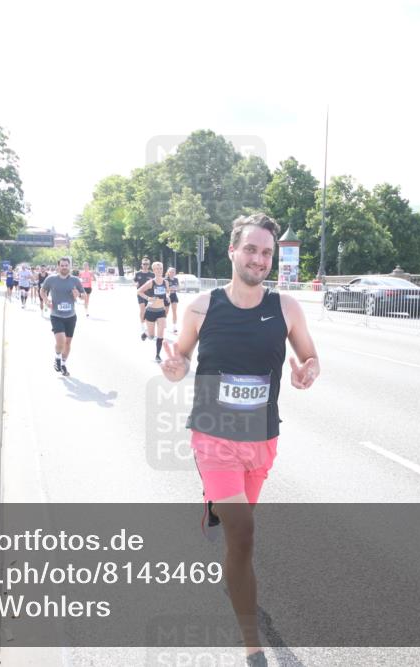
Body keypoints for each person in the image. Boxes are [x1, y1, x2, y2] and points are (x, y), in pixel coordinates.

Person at [160, 213, 320, 667]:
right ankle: (253, 646)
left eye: (267, 252)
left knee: (238, 528)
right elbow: (180, 358)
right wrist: (173, 368)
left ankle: (214, 506)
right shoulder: (201, 307)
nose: (259, 259)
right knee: (244, 533)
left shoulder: (286, 308)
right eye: (251, 249)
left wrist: (309, 369)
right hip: (213, 437)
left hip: (261, 439)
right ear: (232, 251)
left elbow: (309, 355)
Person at [40, 257, 85, 377]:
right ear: (58, 266)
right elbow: (42, 291)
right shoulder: (51, 279)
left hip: (71, 316)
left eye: (66, 265)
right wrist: (46, 300)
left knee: (68, 343)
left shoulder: (75, 280)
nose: (64, 267)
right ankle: (57, 357)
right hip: (56, 315)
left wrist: (79, 294)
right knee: (61, 340)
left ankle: (63, 364)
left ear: (69, 266)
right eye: (62, 265)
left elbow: (84, 296)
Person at [137, 261, 170, 362]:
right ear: (154, 270)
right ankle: (146, 334)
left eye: (160, 268)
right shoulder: (151, 282)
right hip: (151, 311)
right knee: (151, 336)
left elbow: (167, 292)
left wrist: (167, 297)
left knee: (161, 334)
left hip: (161, 311)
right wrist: (148, 298)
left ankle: (158, 355)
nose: (159, 270)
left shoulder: (166, 282)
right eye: (156, 269)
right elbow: (139, 291)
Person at [134, 258, 154, 340]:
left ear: (149, 265)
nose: (145, 266)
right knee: (142, 310)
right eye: (144, 264)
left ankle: (148, 326)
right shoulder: (138, 273)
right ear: (141, 265)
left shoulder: (152, 274)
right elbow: (134, 281)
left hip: (149, 295)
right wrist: (136, 284)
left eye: (147, 264)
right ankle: (142, 326)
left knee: (148, 311)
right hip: (140, 294)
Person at [166, 267, 180, 333]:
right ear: (168, 272)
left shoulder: (176, 279)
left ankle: (174, 327)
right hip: (167, 296)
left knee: (174, 311)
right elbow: (166, 289)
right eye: (171, 272)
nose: (172, 273)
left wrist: (175, 288)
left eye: (173, 272)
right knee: (166, 311)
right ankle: (163, 323)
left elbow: (178, 287)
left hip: (174, 295)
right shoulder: (166, 279)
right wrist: (171, 288)